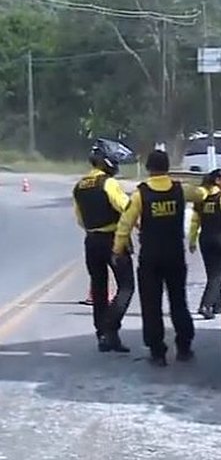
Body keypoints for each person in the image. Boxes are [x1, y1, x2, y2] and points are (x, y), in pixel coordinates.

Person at [112, 150, 206, 366]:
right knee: (178, 302)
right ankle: (184, 347)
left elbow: (125, 224)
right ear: (167, 167)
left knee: (151, 305)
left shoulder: (139, 195)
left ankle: (157, 352)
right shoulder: (180, 190)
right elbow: (201, 194)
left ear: (148, 168)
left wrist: (117, 249)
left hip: (151, 257)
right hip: (174, 255)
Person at [72, 143, 135, 353]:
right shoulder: (108, 183)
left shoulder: (79, 186)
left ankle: (103, 336)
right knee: (126, 286)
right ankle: (110, 328)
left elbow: (80, 220)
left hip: (91, 242)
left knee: (99, 289)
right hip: (113, 240)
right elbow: (126, 207)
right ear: (106, 161)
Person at [189, 169, 221, 320]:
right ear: (218, 181)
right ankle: (205, 305)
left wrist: (192, 240)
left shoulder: (201, 199)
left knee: (212, 273)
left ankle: (217, 305)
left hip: (205, 238)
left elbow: (195, 221)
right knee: (218, 275)